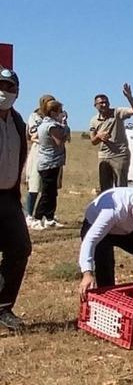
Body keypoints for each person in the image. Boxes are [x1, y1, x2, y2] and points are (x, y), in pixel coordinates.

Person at [0, 67, 31, 331]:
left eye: (10, 88)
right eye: (1, 86)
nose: (5, 92)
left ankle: (3, 307)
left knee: (20, 248)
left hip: (8, 196)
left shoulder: (18, 122)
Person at [89, 83, 133, 192]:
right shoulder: (94, 120)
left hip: (120, 154)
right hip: (104, 155)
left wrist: (129, 97)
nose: (104, 104)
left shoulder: (117, 113)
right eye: (101, 103)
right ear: (95, 105)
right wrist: (99, 136)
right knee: (105, 187)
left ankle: (121, 208)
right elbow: (93, 141)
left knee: (121, 187)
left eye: (106, 102)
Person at [33, 100, 71, 228]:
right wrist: (65, 130)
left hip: (51, 162)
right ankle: (37, 218)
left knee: (52, 191)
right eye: (60, 111)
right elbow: (59, 141)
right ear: (53, 112)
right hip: (49, 162)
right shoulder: (51, 126)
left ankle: (49, 217)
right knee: (47, 192)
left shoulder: (47, 124)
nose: (62, 113)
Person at [23, 94, 55, 228]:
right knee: (34, 185)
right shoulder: (34, 116)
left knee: (49, 187)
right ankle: (29, 215)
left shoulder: (55, 116)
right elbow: (33, 135)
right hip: (39, 152)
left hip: (52, 153)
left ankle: (48, 216)